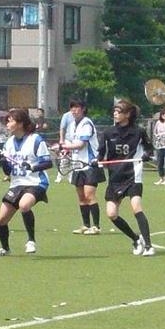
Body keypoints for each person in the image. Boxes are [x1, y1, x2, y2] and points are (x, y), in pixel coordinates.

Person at [0, 108, 53, 257]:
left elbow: (48, 163)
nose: (8, 124)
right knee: (1, 220)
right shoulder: (9, 142)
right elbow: (7, 171)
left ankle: (31, 241)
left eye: (11, 121)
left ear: (21, 123)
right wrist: (2, 158)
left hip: (36, 182)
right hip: (17, 184)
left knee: (24, 205)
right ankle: (5, 249)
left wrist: (32, 166)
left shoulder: (35, 139)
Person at [97, 98, 155, 257]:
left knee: (136, 206)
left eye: (119, 111)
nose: (115, 114)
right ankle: (136, 239)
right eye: (114, 111)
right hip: (115, 177)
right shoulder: (108, 133)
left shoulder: (138, 131)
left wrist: (146, 155)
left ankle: (149, 246)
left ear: (128, 114)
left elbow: (150, 149)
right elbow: (101, 154)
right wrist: (98, 161)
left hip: (133, 175)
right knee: (111, 214)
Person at [58, 98, 105, 235]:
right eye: (72, 107)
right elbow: (71, 142)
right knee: (81, 197)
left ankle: (96, 226)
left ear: (83, 109)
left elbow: (81, 144)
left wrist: (63, 146)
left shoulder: (87, 123)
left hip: (91, 164)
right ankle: (85, 225)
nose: (74, 110)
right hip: (77, 164)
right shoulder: (72, 124)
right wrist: (65, 149)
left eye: (77, 107)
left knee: (89, 195)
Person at [55, 107, 75, 183]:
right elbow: (62, 128)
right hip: (68, 140)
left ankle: (71, 177)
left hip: (76, 140)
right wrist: (61, 140)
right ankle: (59, 177)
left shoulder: (81, 116)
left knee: (74, 160)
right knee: (64, 159)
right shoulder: (66, 115)